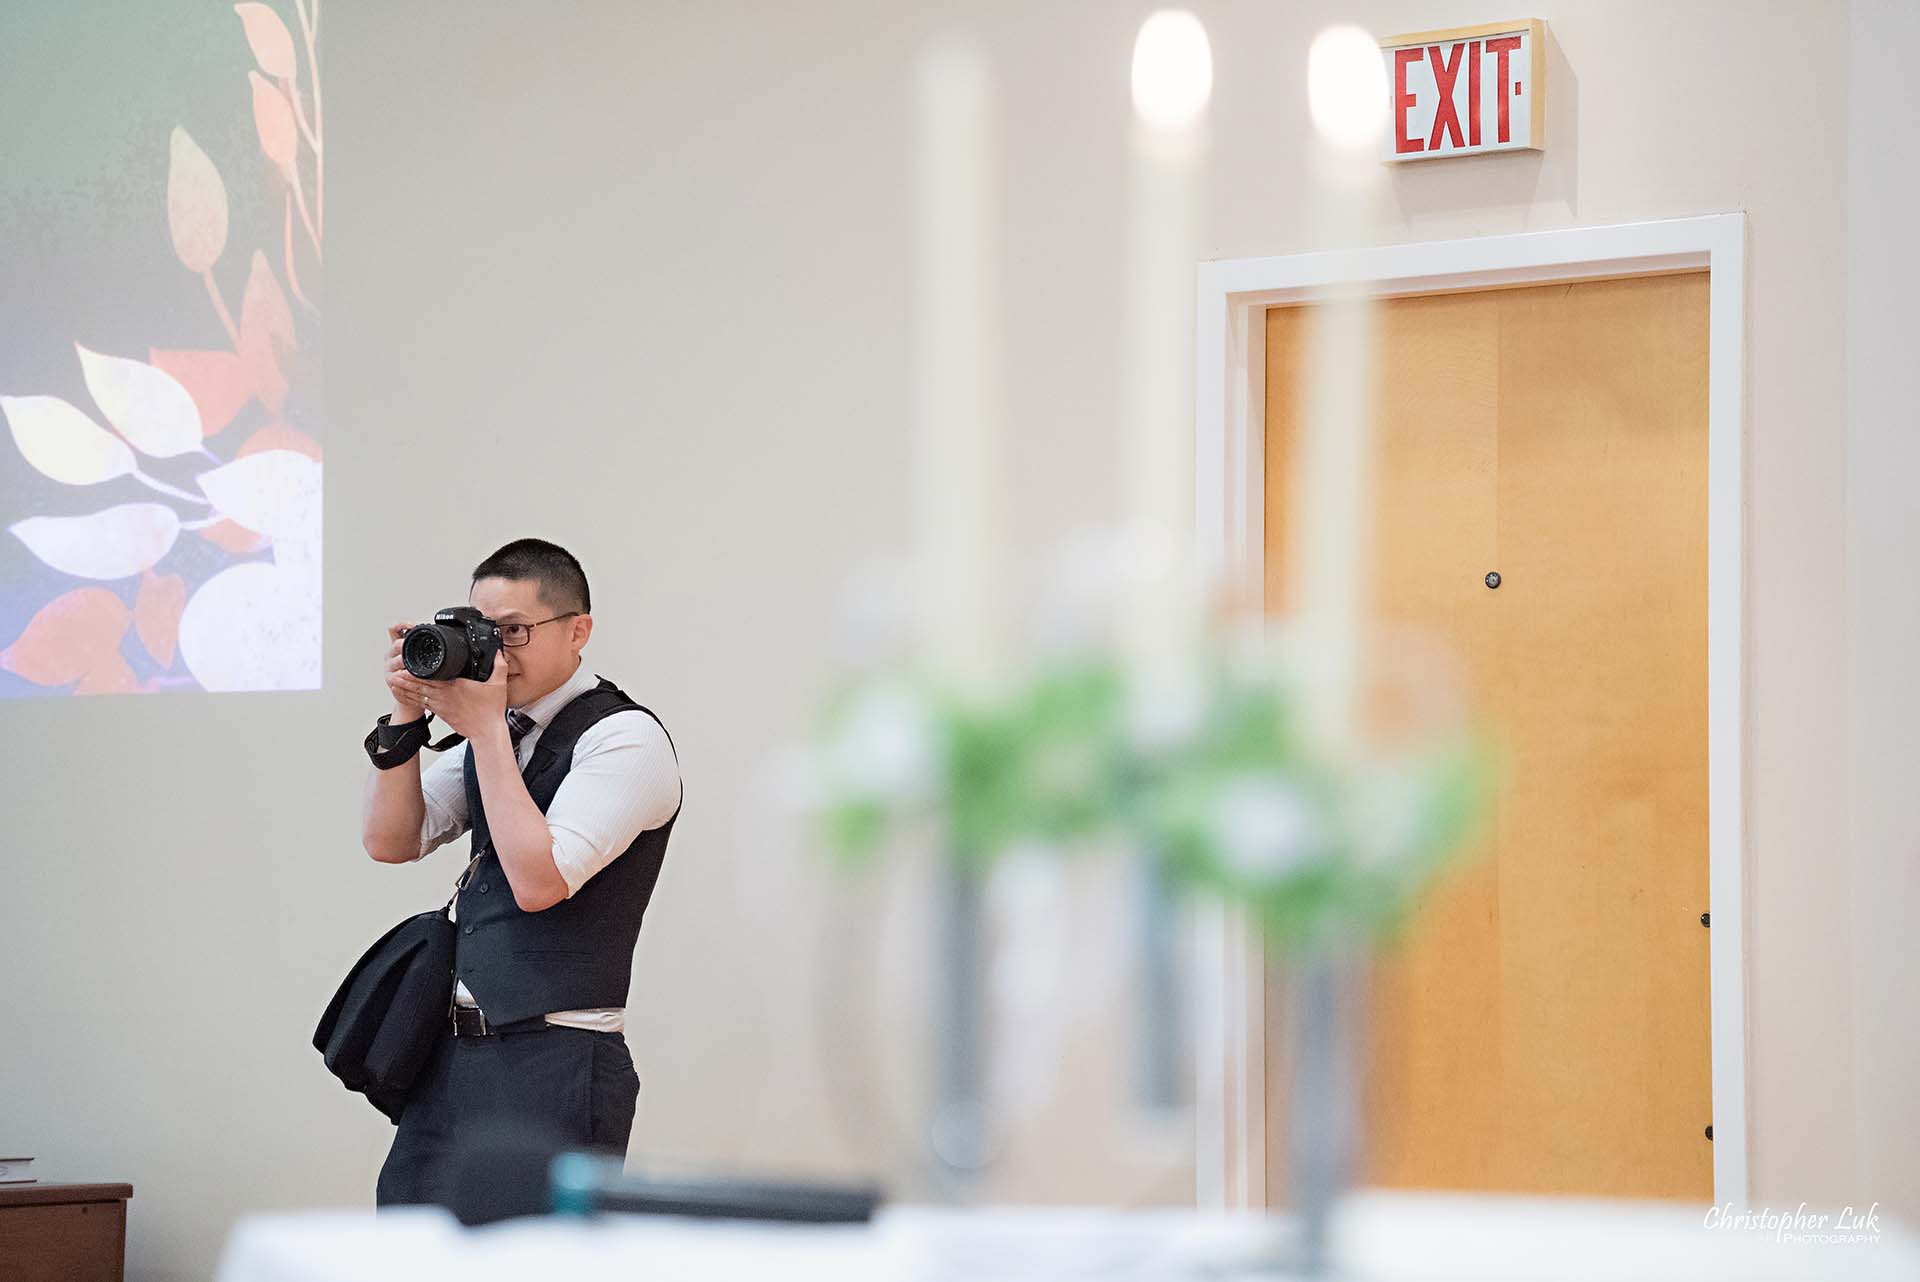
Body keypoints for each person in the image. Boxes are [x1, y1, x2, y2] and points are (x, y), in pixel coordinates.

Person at [358, 538, 682, 1208]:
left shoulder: (624, 739)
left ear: (578, 630)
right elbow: (390, 840)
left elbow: (541, 883)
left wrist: (485, 732)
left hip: (557, 1060)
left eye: (514, 632)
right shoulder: (498, 731)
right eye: (482, 631)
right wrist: (406, 715)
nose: (496, 654)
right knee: (405, 1248)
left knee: (534, 1263)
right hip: (449, 1058)